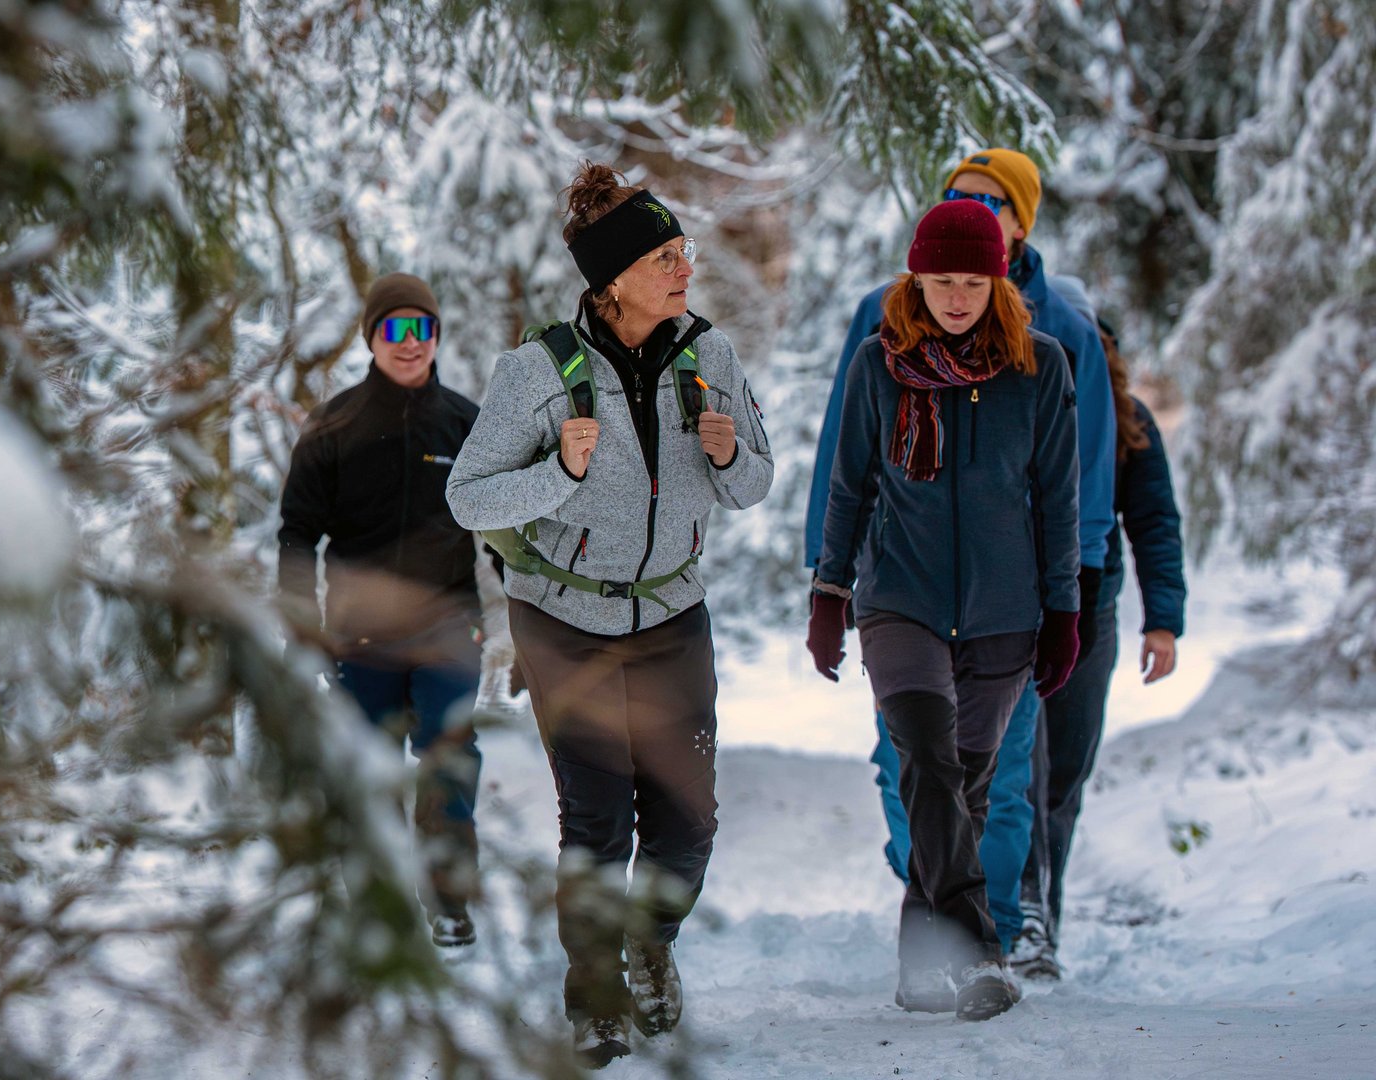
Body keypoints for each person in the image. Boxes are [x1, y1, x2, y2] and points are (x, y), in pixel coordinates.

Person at [447, 163, 772, 1067]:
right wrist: (561, 472)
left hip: (673, 612)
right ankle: (593, 998)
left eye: (684, 251)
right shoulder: (537, 372)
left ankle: (651, 942)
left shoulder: (712, 357)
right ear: (613, 278)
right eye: (665, 256)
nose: (684, 269)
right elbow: (469, 498)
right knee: (595, 821)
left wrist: (731, 448)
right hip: (565, 618)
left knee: (689, 816)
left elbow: (756, 484)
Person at [802, 148, 1116, 954]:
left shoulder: (1054, 345)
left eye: (993, 202)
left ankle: (990, 936)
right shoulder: (881, 337)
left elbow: (1069, 485)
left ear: (1014, 239)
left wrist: (1066, 604)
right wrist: (828, 586)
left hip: (1007, 605)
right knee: (916, 769)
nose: (956, 295)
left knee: (989, 784)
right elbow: (848, 465)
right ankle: (967, 942)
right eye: (958, 196)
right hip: (901, 594)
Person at [277, 272, 487, 948]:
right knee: (366, 772)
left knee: (447, 758)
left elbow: (504, 529)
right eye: (394, 328)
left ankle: (449, 903)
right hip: (359, 635)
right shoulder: (333, 424)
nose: (409, 343)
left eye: (422, 328)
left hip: (450, 626)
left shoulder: (463, 422)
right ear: (371, 337)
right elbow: (296, 534)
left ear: (436, 337)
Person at [1014, 313, 1187, 978]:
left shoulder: (1128, 422)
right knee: (1019, 770)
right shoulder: (1019, 400)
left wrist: (1162, 620)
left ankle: (1043, 918)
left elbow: (1155, 523)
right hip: (1014, 606)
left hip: (1094, 608)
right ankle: (1022, 915)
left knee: (1064, 775)